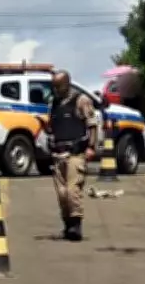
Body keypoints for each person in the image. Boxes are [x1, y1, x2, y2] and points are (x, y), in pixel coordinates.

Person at [36, 70, 98, 241]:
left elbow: (92, 124)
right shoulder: (54, 103)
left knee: (72, 191)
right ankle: (67, 224)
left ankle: (76, 226)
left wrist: (91, 146)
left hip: (75, 153)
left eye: (59, 86)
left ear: (67, 84)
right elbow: (54, 127)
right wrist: (45, 128)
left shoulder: (81, 101)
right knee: (62, 194)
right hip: (58, 153)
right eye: (54, 87)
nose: (55, 90)